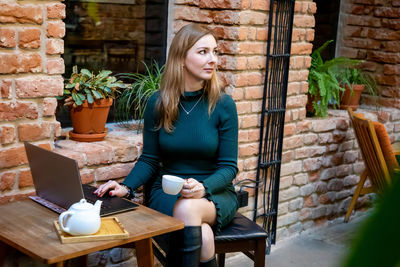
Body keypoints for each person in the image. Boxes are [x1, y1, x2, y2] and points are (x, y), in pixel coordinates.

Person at [94, 23, 239, 267]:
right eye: (203, 52)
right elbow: (150, 159)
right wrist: (126, 187)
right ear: (181, 58)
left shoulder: (223, 104)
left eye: (215, 52)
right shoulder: (158, 103)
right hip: (168, 192)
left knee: (188, 209)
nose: (212, 59)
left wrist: (203, 187)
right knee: (203, 235)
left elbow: (229, 167)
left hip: (213, 193)